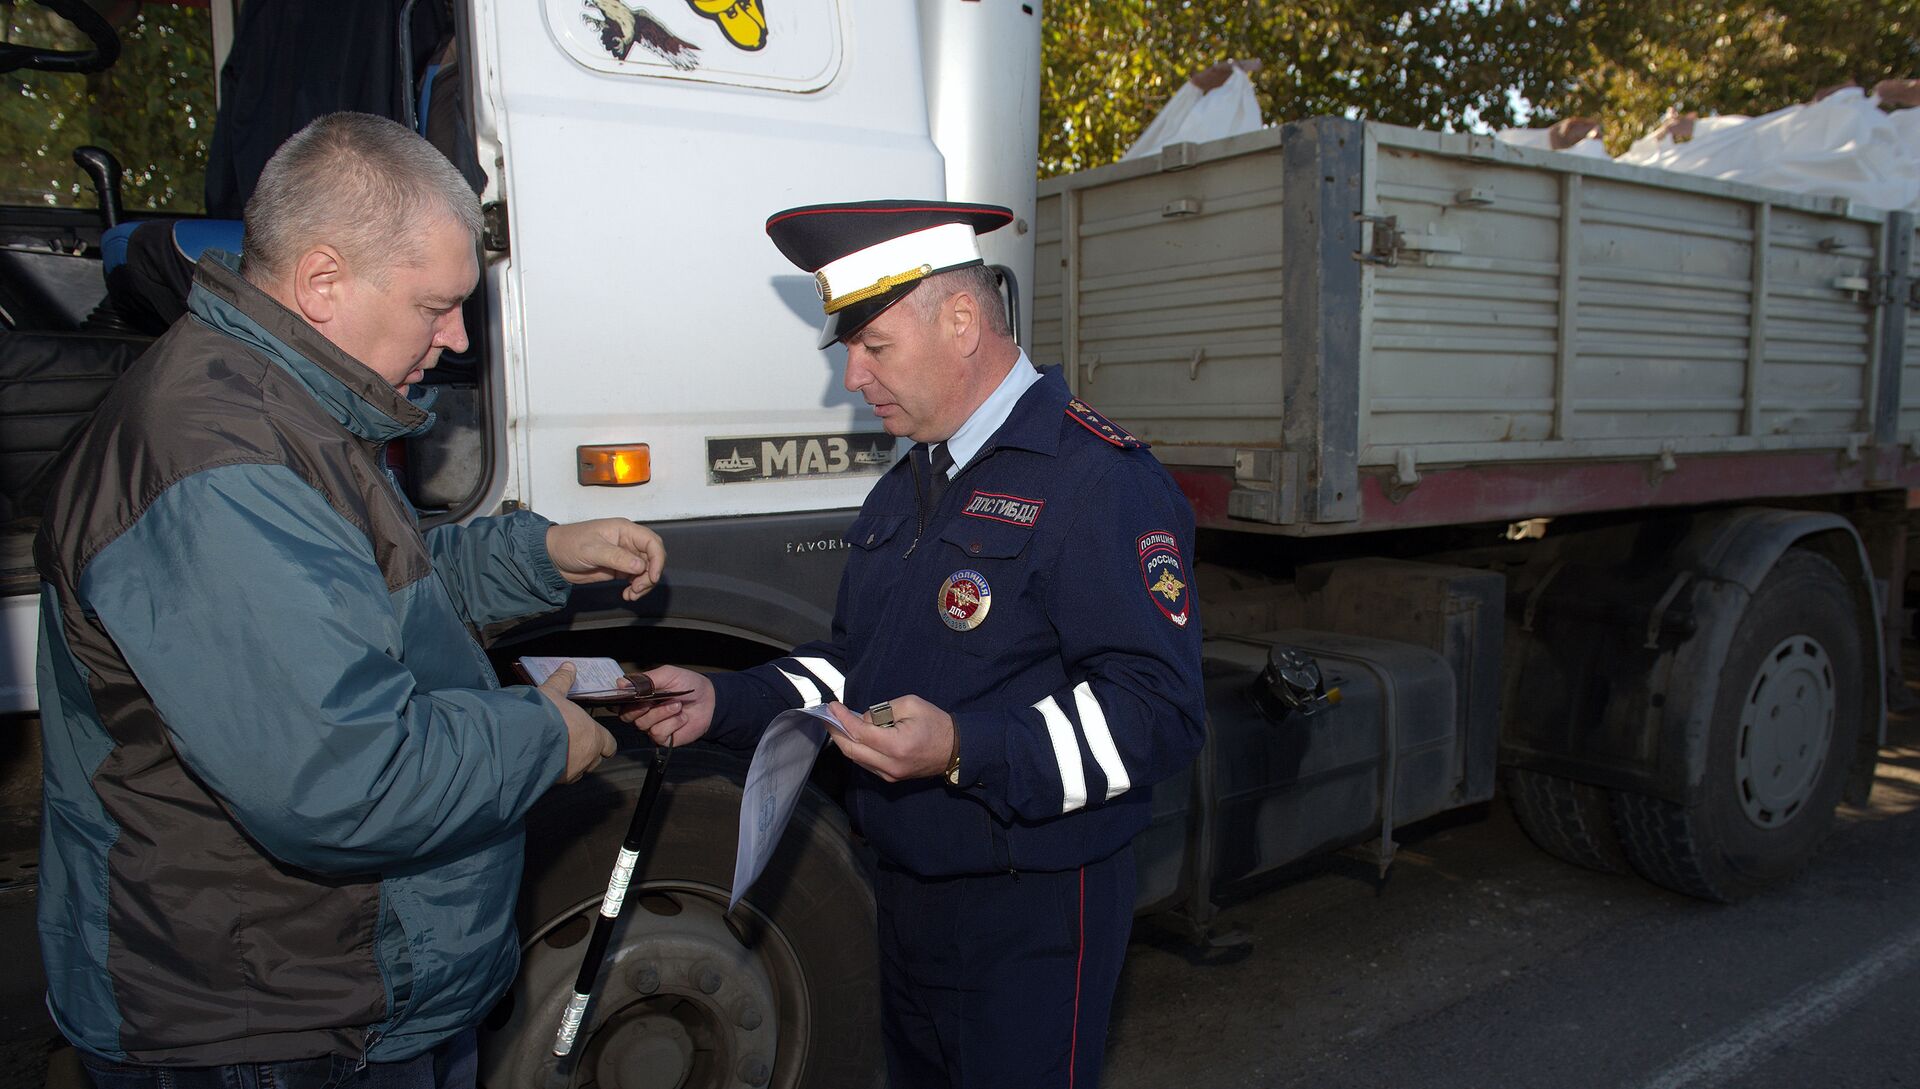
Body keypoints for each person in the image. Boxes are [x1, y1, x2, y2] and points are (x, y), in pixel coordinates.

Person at [34, 112, 664, 1086]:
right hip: (269, 1025)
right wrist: (545, 734)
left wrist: (537, 557)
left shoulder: (281, 403)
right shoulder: (220, 458)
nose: (456, 341)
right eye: (435, 306)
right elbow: (341, 779)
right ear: (324, 282)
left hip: (321, 988)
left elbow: (359, 589)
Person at [629, 200, 1206, 1087]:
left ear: (964, 322)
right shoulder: (915, 479)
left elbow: (1157, 711)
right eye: (849, 349)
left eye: (876, 346)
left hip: (1032, 905)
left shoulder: (1097, 480)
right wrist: (723, 699)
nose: (854, 376)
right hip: (906, 887)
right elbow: (860, 662)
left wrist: (966, 747)